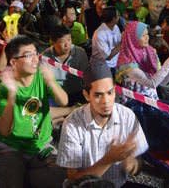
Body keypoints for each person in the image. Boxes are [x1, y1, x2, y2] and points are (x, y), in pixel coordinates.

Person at [0, 35, 68, 188]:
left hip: (41, 144)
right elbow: (4, 131)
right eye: (28, 55)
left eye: (36, 54)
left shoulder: (41, 78)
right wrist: (12, 95)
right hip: (11, 147)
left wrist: (51, 80)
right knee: (13, 182)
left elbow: (64, 101)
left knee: (61, 179)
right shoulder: (4, 89)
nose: (35, 59)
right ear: (14, 62)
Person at [57, 58, 148, 187]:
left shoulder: (127, 116)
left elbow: (138, 166)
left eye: (109, 93)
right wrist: (109, 159)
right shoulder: (73, 124)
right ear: (86, 95)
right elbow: (74, 180)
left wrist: (131, 164)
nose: (106, 101)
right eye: (98, 95)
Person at [115, 21, 169, 149]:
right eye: (143, 35)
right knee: (159, 129)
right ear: (133, 39)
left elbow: (161, 83)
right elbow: (152, 82)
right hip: (135, 105)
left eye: (147, 34)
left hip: (151, 100)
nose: (147, 37)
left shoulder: (149, 52)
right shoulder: (127, 62)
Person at [42, 26, 88, 105]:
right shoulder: (45, 58)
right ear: (53, 42)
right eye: (62, 41)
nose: (67, 44)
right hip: (56, 96)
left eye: (69, 40)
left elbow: (86, 77)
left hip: (77, 93)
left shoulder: (80, 53)